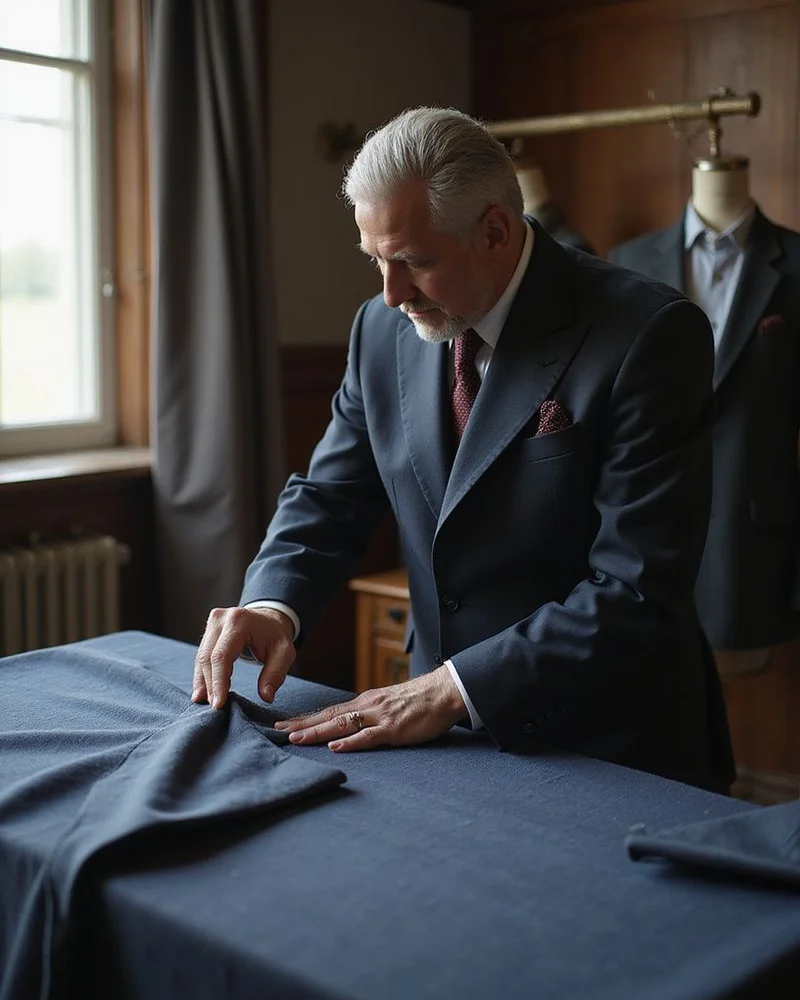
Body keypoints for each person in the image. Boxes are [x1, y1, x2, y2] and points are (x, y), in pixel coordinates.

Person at [193, 106, 735, 792]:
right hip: (442, 732)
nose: (389, 295)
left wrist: (451, 690)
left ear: (495, 231)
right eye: (376, 262)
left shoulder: (652, 334)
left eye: (414, 262)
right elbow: (331, 495)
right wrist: (273, 605)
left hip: (613, 742)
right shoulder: (378, 330)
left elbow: (636, 589)